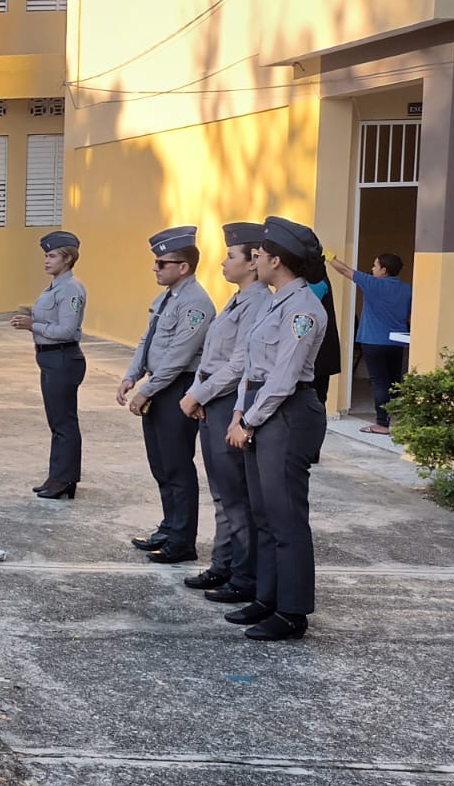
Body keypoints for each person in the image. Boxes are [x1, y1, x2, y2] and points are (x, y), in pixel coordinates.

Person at [224, 216, 329, 641]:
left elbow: (284, 378)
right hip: (259, 409)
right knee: (263, 513)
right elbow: (252, 368)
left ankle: (292, 612)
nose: (256, 259)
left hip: (287, 414)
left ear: (278, 261)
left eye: (261, 255)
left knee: (286, 518)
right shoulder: (274, 301)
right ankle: (267, 597)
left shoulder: (303, 310)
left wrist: (248, 420)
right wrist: (237, 413)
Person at [179, 223, 272, 601]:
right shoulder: (237, 300)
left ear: (252, 263)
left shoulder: (259, 303)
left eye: (231, 255)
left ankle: (243, 576)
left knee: (236, 496)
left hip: (229, 403)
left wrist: (196, 394)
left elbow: (238, 364)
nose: (223, 261)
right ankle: (224, 565)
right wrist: (200, 394)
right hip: (213, 403)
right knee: (222, 493)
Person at [119, 226, 216, 565]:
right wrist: (132, 375)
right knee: (160, 464)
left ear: (183, 266)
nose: (156, 268)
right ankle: (169, 527)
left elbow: (178, 355)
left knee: (177, 466)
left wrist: (146, 390)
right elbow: (147, 340)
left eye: (162, 263)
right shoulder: (166, 298)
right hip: (158, 386)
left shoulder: (196, 304)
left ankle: (182, 541)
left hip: (177, 387)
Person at [13, 232, 87, 499]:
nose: (46, 260)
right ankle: (57, 475)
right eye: (46, 255)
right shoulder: (56, 286)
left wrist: (33, 325)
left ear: (68, 259)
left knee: (64, 421)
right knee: (56, 421)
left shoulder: (70, 289)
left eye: (52, 255)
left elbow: (67, 330)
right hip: (50, 357)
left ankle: (65, 479)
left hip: (63, 357)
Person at [328, 250, 412, 434]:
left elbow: (344, 270)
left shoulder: (373, 283)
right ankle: (395, 419)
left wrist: (327, 255)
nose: (372, 269)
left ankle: (382, 424)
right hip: (397, 342)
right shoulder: (407, 289)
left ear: (384, 270)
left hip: (374, 341)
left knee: (380, 383)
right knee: (394, 383)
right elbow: (408, 314)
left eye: (375, 266)